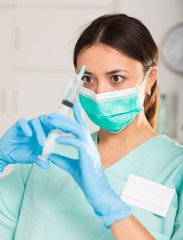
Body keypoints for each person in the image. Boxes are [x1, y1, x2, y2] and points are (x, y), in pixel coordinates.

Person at [0, 13, 182, 240]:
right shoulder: (46, 153)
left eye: (116, 78)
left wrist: (110, 205)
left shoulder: (177, 168)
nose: (99, 93)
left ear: (150, 78)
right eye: (88, 78)